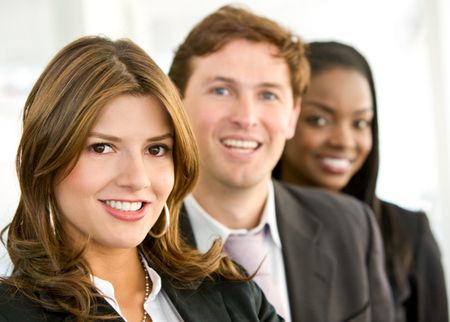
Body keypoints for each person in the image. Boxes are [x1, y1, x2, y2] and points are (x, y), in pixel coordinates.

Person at [0, 36, 283, 322]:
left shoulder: (231, 293)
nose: (137, 179)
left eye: (156, 149)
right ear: (46, 157)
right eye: (101, 147)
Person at [168, 5, 394, 322]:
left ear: (292, 116)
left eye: (268, 95)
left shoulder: (350, 226)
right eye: (221, 90)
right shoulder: (137, 245)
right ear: (176, 105)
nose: (246, 118)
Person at [274, 41, 448, 322]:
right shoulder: (254, 231)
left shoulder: (407, 231)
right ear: (285, 118)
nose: (344, 141)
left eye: (360, 123)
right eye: (318, 120)